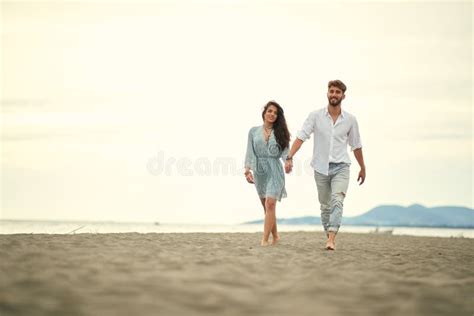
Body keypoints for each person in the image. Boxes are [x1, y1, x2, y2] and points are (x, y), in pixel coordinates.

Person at [285, 80, 366, 250]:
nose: (334, 94)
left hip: (341, 167)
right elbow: (302, 136)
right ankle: (329, 234)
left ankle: (331, 239)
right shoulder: (315, 116)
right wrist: (290, 156)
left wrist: (362, 167)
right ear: (327, 93)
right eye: (331, 91)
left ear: (343, 96)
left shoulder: (350, 120)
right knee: (325, 206)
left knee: (337, 200)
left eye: (337, 92)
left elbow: (356, 145)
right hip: (320, 168)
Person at [245, 101, 291, 246]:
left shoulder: (281, 133)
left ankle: (264, 240)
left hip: (274, 169)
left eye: (275, 113)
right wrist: (247, 170)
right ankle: (276, 236)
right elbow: (249, 151)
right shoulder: (253, 131)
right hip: (260, 170)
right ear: (264, 113)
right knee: (267, 207)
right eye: (270, 111)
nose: (272, 114)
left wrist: (288, 162)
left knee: (270, 203)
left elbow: (285, 153)